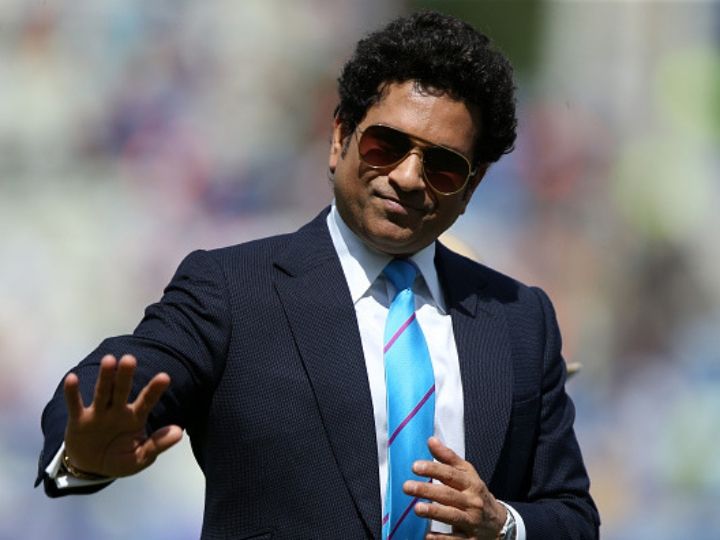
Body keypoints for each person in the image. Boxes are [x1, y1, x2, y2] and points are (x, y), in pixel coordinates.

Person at [36, 11, 600, 540]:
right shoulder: (234, 288)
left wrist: (501, 525)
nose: (407, 177)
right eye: (386, 145)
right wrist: (80, 451)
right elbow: (116, 385)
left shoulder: (518, 319)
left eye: (444, 166)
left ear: (472, 186)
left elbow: (572, 514)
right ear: (339, 138)